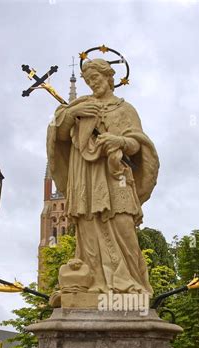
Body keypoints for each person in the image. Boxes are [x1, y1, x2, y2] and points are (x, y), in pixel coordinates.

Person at [47, 57, 159, 296]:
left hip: (115, 175)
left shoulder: (124, 109)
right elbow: (61, 136)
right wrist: (73, 112)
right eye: (88, 80)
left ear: (109, 77)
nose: (92, 84)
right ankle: (94, 282)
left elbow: (138, 144)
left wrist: (119, 141)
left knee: (123, 224)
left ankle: (132, 284)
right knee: (87, 226)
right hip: (85, 177)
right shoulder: (81, 105)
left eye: (95, 78)